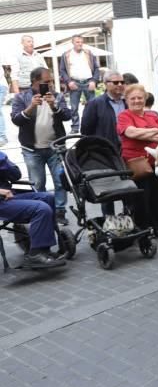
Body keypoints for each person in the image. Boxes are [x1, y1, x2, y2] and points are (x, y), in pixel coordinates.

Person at [10, 67, 72, 226]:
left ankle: (59, 212)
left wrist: (54, 106)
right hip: (32, 150)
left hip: (55, 148)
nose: (50, 85)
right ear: (35, 82)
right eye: (46, 82)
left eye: (51, 81)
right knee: (38, 183)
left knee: (60, 181)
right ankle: (43, 212)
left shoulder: (57, 96)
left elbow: (67, 116)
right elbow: (17, 120)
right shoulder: (21, 97)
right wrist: (31, 107)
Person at [117, 84, 158, 239]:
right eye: (132, 98)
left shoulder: (152, 115)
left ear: (145, 98)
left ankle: (157, 226)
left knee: (157, 196)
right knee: (141, 198)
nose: (136, 101)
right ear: (127, 100)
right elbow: (130, 132)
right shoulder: (124, 116)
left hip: (156, 162)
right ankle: (143, 229)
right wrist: (154, 132)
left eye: (140, 98)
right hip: (136, 163)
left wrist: (144, 134)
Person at [0, 151, 65, 268]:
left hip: (9, 197)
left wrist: (4, 163)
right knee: (41, 208)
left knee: (47, 198)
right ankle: (35, 256)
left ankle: (43, 249)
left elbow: (16, 175)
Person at [81, 70, 128, 217]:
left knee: (129, 187)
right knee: (108, 191)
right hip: (105, 153)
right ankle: (110, 222)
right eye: (115, 82)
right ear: (106, 84)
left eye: (122, 82)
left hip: (126, 151)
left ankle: (130, 220)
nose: (119, 85)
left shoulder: (128, 102)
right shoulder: (95, 103)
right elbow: (86, 130)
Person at [58, 34, 100, 133]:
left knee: (93, 106)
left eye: (81, 42)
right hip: (74, 83)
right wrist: (69, 82)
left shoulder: (89, 53)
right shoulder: (66, 55)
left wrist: (94, 80)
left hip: (89, 82)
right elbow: (62, 70)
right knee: (74, 108)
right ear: (72, 43)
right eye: (77, 42)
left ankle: (93, 126)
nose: (80, 44)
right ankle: (75, 127)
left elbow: (97, 68)